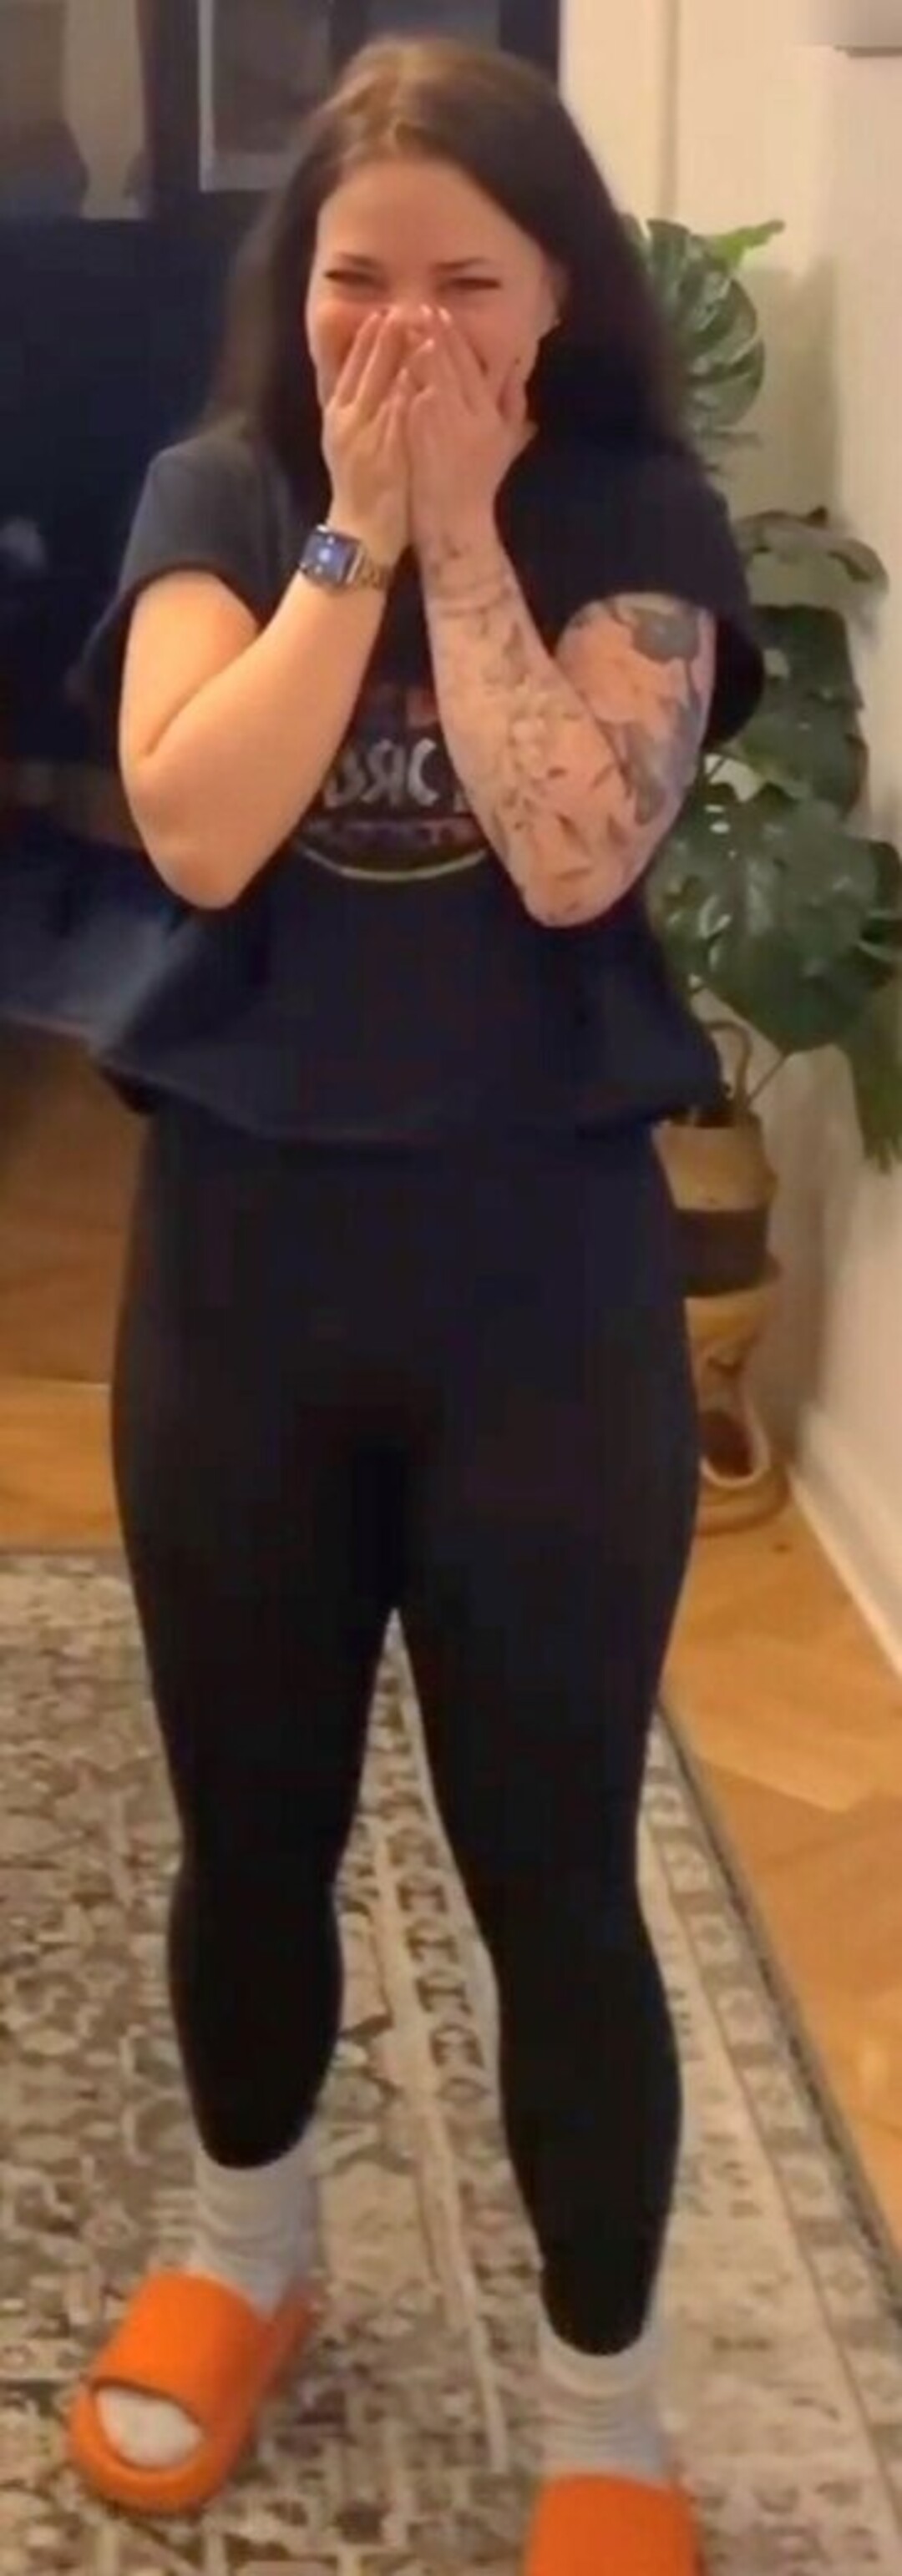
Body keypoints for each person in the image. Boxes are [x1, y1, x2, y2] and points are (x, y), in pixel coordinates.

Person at [63, 36, 763, 2573]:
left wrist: (466, 536)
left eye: (467, 281)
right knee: (250, 1831)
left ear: (559, 288)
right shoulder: (219, 499)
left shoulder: (640, 518)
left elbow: (575, 856)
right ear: (300, 288)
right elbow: (195, 822)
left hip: (538, 1295)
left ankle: (611, 2417)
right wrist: (358, 535)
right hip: (242, 1281)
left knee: (549, 1868)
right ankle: (250, 2257)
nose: (408, 332)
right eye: (360, 280)